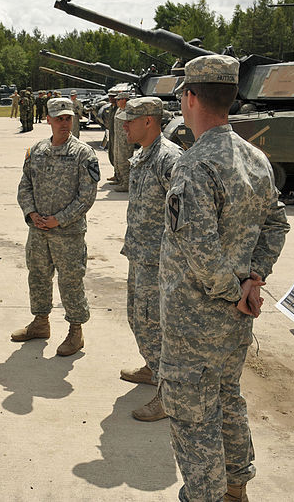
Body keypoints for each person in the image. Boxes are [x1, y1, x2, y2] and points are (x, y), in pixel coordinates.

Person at [159, 55, 289, 502]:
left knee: (193, 417)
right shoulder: (255, 158)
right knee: (227, 400)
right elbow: (277, 224)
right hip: (236, 319)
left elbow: (199, 249)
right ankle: (237, 488)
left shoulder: (196, 165)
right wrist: (254, 279)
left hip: (196, 322)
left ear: (191, 98)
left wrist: (235, 290)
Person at [12, 97, 99, 356]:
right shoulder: (36, 151)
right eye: (59, 118)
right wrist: (31, 213)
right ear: (48, 120)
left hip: (68, 233)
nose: (64, 123)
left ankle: (76, 331)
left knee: (71, 281)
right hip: (38, 231)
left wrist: (59, 218)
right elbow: (24, 186)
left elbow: (86, 197)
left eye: (68, 118)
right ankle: (40, 322)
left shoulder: (83, 154)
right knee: (38, 276)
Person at [116, 97, 183, 422]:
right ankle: (152, 366)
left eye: (130, 120)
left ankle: (168, 395)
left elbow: (186, 214)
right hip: (141, 254)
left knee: (154, 323)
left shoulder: (169, 159)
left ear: (149, 121)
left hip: (160, 261)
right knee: (138, 316)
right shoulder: (144, 155)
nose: (124, 125)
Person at [111, 92, 134, 191]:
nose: (117, 101)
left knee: (124, 160)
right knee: (117, 159)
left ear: (125, 100)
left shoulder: (129, 111)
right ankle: (119, 178)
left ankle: (126, 183)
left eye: (119, 100)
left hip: (125, 140)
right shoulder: (119, 110)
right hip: (118, 139)